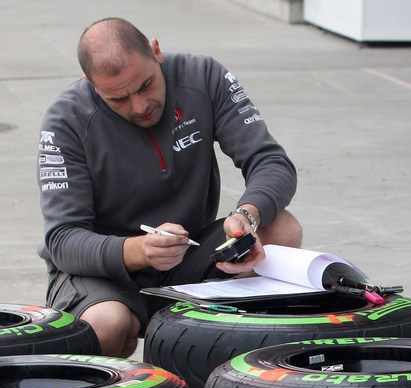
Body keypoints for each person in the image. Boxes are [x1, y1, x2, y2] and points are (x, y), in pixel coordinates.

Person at [37, 17, 302, 356]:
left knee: (280, 228)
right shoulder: (66, 120)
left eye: (146, 84)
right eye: (118, 99)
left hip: (186, 250)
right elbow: (63, 240)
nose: (140, 105)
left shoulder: (204, 77)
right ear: (92, 83)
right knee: (107, 323)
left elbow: (270, 162)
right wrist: (139, 250)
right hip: (101, 271)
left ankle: (239, 375)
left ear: (156, 51)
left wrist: (248, 215)